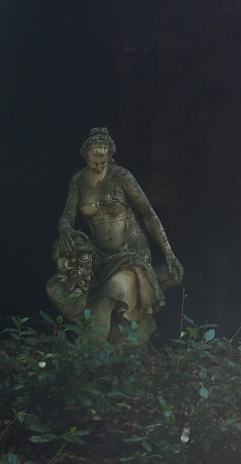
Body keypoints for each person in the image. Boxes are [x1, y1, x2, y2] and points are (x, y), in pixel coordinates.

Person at [48, 127, 183, 344]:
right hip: (99, 256)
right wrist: (65, 230)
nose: (99, 166)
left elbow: (148, 213)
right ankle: (96, 356)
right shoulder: (78, 180)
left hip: (130, 253)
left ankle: (91, 355)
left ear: (110, 156)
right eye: (94, 162)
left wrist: (168, 252)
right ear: (86, 155)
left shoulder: (122, 176)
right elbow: (66, 216)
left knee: (112, 291)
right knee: (60, 288)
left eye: (103, 161)